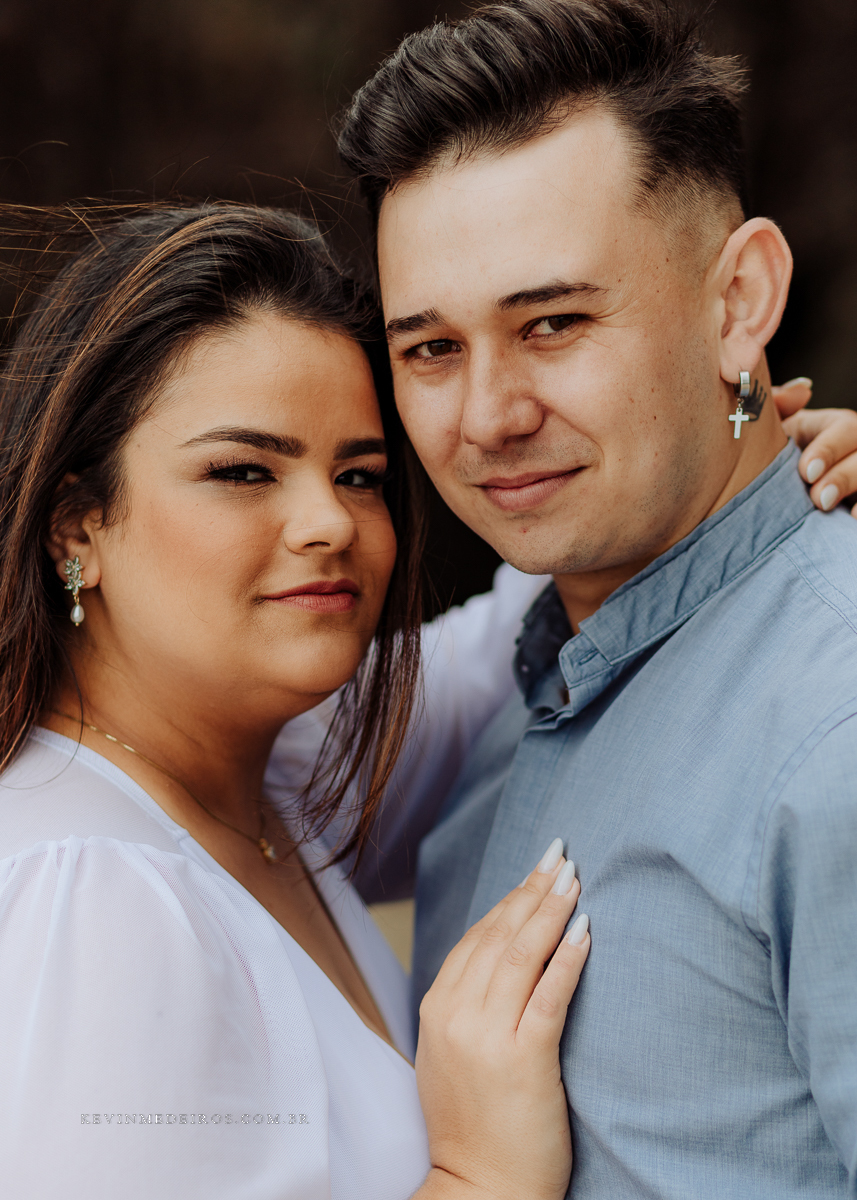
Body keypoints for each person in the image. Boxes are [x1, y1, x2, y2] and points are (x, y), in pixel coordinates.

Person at [314, 0, 857, 1195]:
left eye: (551, 323)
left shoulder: (833, 730)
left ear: (737, 303)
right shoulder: (517, 696)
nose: (488, 418)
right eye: (430, 350)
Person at [0, 203, 591, 1200]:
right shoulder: (94, 898)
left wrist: (757, 449)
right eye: (242, 471)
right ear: (76, 529)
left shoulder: (275, 775)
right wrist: (481, 1174)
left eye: (358, 475)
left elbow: (521, 625)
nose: (329, 522)